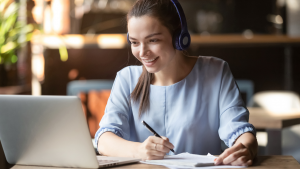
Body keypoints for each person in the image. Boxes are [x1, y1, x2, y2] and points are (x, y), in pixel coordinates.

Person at [95, 0, 258, 166]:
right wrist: (140, 150)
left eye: (153, 40)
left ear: (179, 37)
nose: (142, 52)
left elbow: (238, 129)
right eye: (135, 42)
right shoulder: (127, 78)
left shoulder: (216, 71)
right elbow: (104, 140)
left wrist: (246, 148)